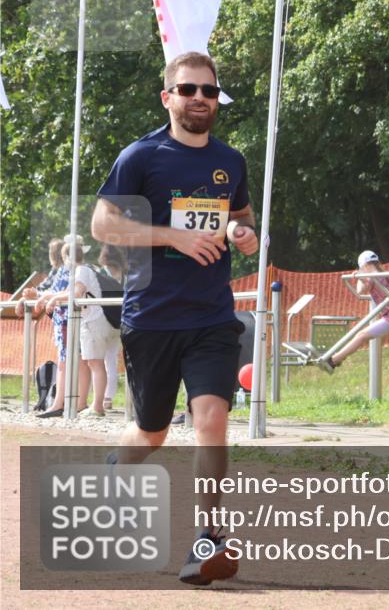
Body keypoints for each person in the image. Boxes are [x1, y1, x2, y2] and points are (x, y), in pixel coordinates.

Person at [91, 51, 258, 585]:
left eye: (209, 91)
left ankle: (208, 539)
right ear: (168, 97)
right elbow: (103, 226)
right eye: (188, 90)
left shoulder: (231, 161)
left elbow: (244, 223)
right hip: (152, 318)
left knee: (211, 421)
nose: (200, 100)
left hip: (211, 316)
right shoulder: (141, 157)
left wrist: (245, 236)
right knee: (152, 433)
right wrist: (173, 236)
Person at [323, 250, 389, 371]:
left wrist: (359, 276)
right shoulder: (387, 275)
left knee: (361, 336)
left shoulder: (369, 278)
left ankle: (335, 360)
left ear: (363, 266)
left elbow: (360, 291)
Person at [43, 242, 118, 417]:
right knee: (96, 363)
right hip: (100, 320)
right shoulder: (86, 270)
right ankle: (96, 404)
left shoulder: (81, 271)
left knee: (95, 363)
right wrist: (52, 297)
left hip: (93, 320)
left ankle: (97, 406)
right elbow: (68, 293)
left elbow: (76, 293)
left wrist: (52, 299)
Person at [16, 237, 69, 417]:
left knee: (65, 362)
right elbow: (44, 290)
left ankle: (59, 403)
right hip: (60, 319)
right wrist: (28, 296)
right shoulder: (60, 270)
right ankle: (60, 401)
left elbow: (49, 291)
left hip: (65, 320)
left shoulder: (63, 270)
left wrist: (32, 295)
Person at [98, 244, 126, 411]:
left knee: (97, 361)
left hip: (103, 320)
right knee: (111, 360)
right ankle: (109, 397)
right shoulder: (126, 274)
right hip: (120, 321)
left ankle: (100, 397)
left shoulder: (100, 273)